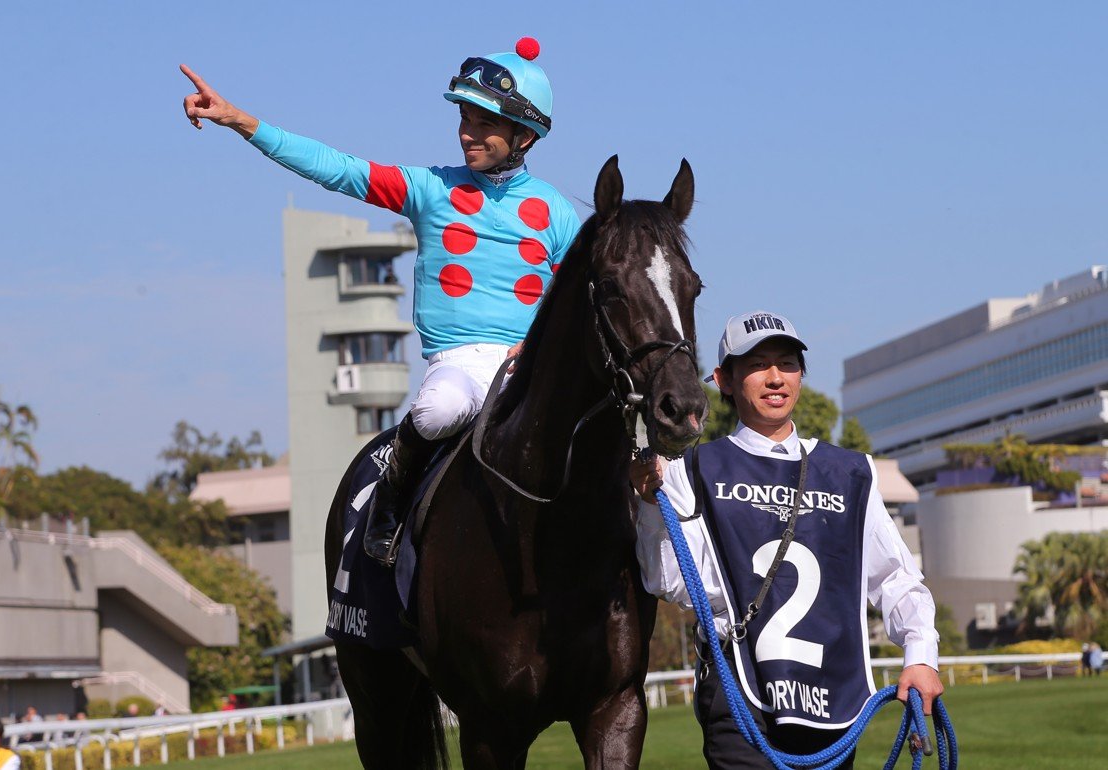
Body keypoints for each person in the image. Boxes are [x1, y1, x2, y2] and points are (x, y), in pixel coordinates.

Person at [181, 37, 581, 567]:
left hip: (527, 370)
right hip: (458, 365)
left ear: (524, 135)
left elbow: (576, 307)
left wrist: (533, 347)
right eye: (465, 118)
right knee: (439, 410)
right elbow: (335, 167)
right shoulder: (429, 189)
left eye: (485, 123)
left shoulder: (557, 212)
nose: (468, 132)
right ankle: (390, 503)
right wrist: (239, 121)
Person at [630, 311, 944, 769]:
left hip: (833, 697)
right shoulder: (689, 470)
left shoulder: (852, 472)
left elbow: (895, 576)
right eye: (757, 364)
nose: (775, 377)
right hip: (740, 692)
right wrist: (650, 506)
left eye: (788, 363)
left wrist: (921, 655)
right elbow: (670, 580)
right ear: (725, 380)